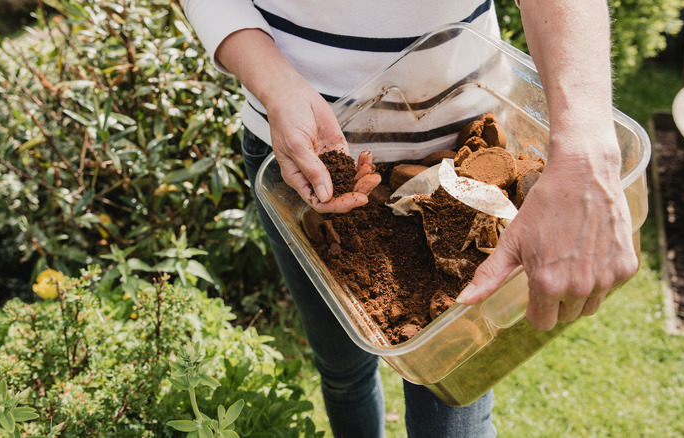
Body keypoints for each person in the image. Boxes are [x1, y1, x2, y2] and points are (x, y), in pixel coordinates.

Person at [183, 0, 639, 436]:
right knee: (344, 372)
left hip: (465, 156)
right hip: (305, 168)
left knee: (454, 411)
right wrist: (276, 85)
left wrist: (585, 155)